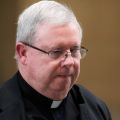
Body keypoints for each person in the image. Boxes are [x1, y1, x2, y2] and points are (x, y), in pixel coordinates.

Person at [0, 0, 112, 120]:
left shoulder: (96, 109)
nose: (70, 62)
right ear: (23, 53)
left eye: (74, 50)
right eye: (56, 52)